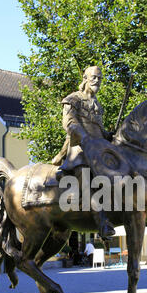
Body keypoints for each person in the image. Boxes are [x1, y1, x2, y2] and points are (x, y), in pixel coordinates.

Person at [52, 66, 115, 240]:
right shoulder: (73, 99)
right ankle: (102, 223)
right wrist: (85, 138)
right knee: (84, 174)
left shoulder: (97, 105)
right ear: (85, 78)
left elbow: (98, 130)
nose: (97, 81)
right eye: (94, 77)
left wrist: (109, 135)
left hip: (98, 149)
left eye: (100, 78)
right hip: (79, 148)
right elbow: (70, 124)